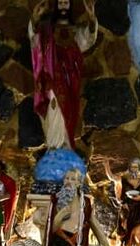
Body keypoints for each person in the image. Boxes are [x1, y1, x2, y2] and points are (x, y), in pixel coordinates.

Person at [29, 0, 99, 149]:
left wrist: (92, 18)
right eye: (60, 2)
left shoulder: (75, 31)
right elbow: (35, 43)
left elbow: (88, 40)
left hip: (69, 83)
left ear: (70, 5)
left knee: (68, 116)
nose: (63, 6)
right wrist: (34, 19)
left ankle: (65, 150)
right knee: (53, 114)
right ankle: (54, 149)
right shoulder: (46, 31)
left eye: (66, 2)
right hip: (51, 81)